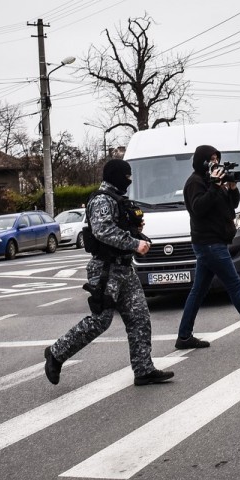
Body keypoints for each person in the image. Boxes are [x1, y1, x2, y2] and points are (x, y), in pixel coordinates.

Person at [43, 159, 174, 387]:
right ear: (117, 176)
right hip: (106, 270)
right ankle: (56, 353)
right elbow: (102, 230)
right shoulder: (102, 199)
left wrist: (135, 230)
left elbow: (117, 226)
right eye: (127, 176)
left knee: (140, 319)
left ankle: (143, 370)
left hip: (124, 268)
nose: (130, 180)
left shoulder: (119, 199)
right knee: (100, 321)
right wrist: (134, 243)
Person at [174, 145, 240, 350]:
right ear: (202, 161)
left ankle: (184, 336)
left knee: (198, 291)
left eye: (217, 158)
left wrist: (231, 187)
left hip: (215, 242)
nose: (215, 161)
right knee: (234, 286)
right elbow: (198, 208)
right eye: (211, 158)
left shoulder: (212, 181)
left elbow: (230, 205)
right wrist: (216, 185)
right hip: (209, 244)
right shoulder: (195, 183)